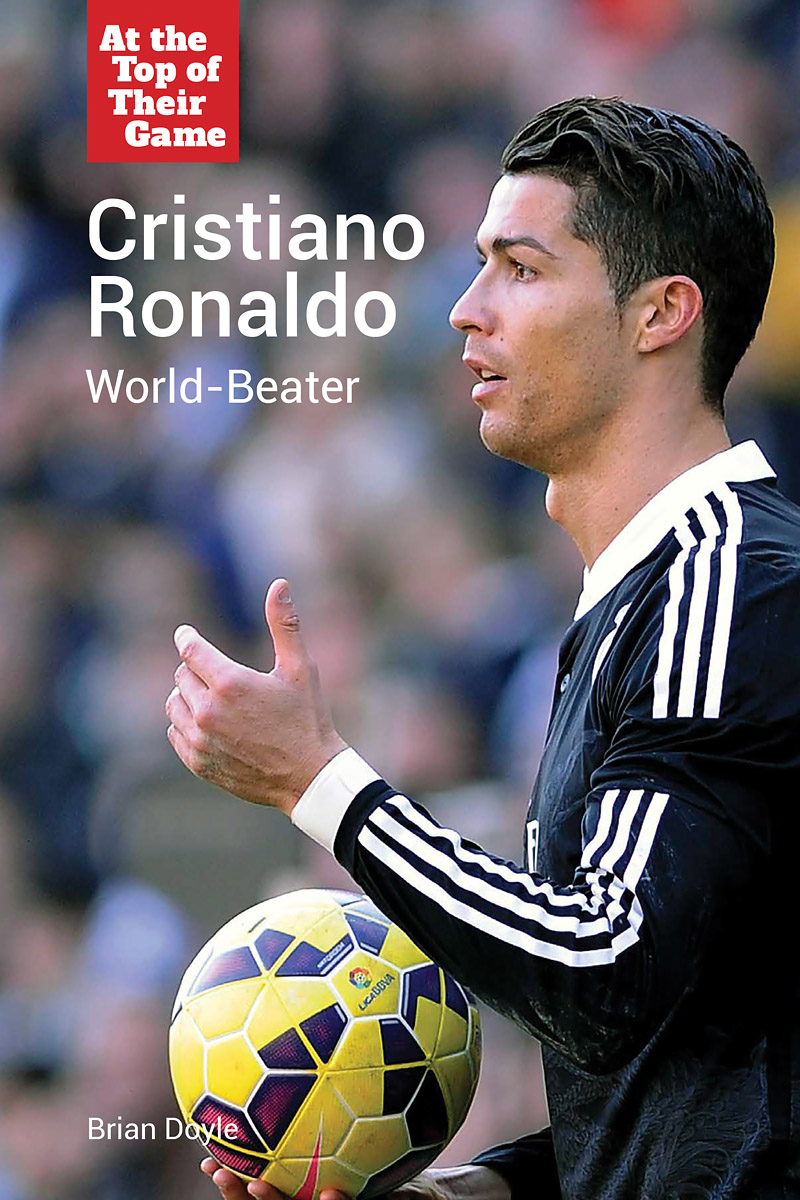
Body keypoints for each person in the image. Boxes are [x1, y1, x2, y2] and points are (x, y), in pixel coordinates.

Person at [166, 97, 800, 1199]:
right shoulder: (654, 594)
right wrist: (483, 1190)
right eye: (478, 267)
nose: (465, 310)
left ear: (660, 313)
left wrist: (322, 784)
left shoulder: (732, 581)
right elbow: (697, 1061)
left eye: (520, 268)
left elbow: (603, 966)